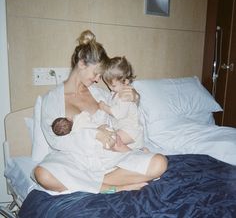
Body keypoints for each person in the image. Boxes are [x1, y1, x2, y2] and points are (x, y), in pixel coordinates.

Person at [34, 29, 168, 194]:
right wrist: (93, 134)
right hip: (74, 160)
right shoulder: (52, 99)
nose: (98, 79)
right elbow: (56, 141)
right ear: (82, 64)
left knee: (159, 162)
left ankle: (96, 184)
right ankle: (116, 187)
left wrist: (134, 99)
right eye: (96, 73)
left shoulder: (103, 95)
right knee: (42, 174)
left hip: (109, 158)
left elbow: (126, 121)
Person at [99, 56, 144, 150]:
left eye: (113, 85)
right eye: (108, 85)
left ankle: (138, 155)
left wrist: (104, 107)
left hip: (130, 131)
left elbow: (118, 113)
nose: (110, 88)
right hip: (124, 130)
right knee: (113, 143)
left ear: (126, 81)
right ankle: (142, 152)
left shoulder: (125, 94)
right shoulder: (115, 93)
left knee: (110, 142)